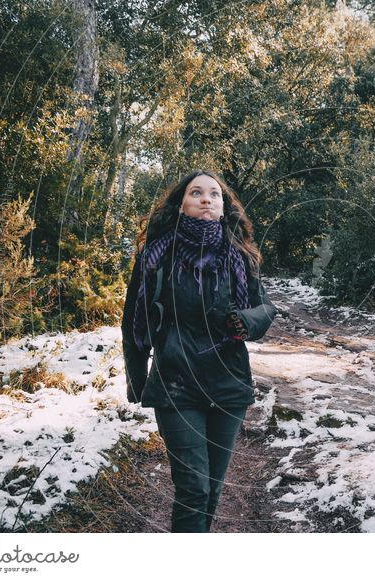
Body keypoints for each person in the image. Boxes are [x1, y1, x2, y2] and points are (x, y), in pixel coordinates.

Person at [121, 170, 278, 532]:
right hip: (176, 386)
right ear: (181, 206)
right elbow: (133, 322)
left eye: (215, 195)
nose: (207, 199)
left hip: (228, 387)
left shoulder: (240, 256)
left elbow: (265, 307)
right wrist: (137, 379)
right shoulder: (156, 257)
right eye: (196, 193)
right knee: (193, 490)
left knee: (211, 493)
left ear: (224, 208)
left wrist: (245, 321)